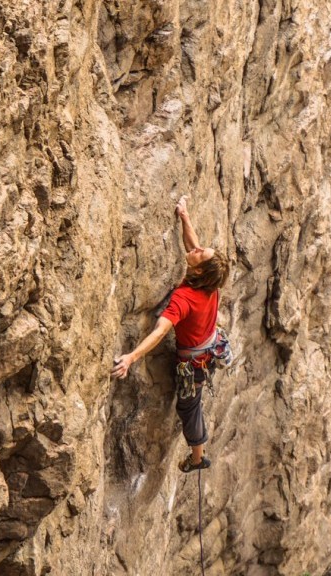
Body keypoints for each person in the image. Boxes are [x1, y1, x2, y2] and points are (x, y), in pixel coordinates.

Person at [111, 195, 230, 472]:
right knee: (193, 402)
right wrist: (184, 216)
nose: (198, 248)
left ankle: (198, 458)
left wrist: (131, 357)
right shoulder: (210, 285)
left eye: (201, 254)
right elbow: (194, 246)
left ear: (198, 270)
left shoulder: (185, 298)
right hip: (209, 349)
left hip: (195, 362)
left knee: (189, 407)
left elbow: (160, 331)